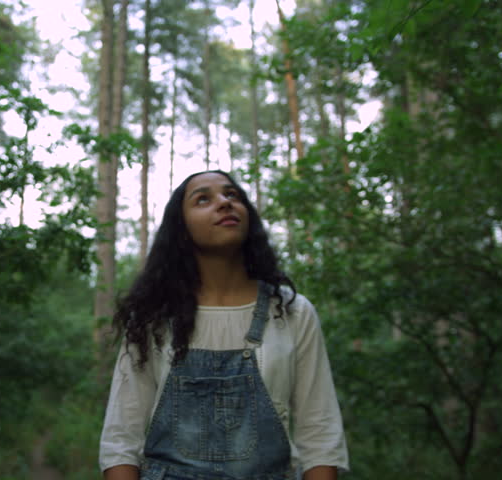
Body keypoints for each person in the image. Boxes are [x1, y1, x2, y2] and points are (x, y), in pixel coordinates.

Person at [99, 171, 349, 480]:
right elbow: (121, 438)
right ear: (181, 228)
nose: (224, 203)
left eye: (233, 195)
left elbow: (320, 435)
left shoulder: (292, 311)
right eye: (203, 199)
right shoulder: (153, 316)